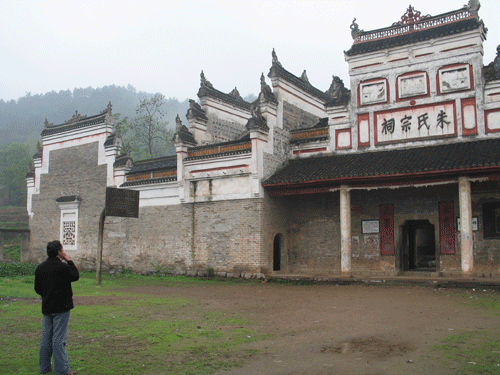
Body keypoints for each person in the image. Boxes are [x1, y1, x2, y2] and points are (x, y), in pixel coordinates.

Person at [34, 240, 79, 375]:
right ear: (59, 252)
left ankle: (44, 367)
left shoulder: (40, 268)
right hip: (62, 307)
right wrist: (69, 260)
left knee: (46, 338)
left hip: (47, 307)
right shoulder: (63, 267)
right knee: (59, 339)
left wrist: (47, 295)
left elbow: (37, 289)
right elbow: (75, 276)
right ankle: (62, 369)